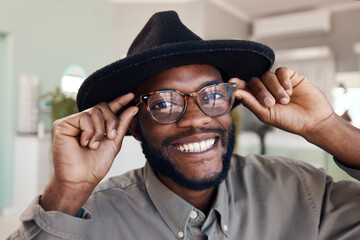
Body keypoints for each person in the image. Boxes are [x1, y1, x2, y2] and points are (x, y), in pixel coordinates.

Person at [8, 11, 360, 240]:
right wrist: (67, 191)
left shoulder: (303, 191)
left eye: (212, 96)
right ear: (133, 125)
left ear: (231, 103)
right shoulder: (87, 219)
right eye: (163, 103)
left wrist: (328, 127)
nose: (196, 118)